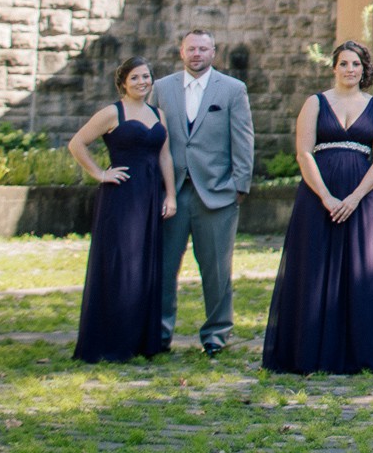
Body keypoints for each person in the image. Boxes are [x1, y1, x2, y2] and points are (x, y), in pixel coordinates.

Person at [262, 41, 373, 374]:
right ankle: (309, 351)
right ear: (334, 67)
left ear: (365, 69)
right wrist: (326, 197)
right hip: (317, 198)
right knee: (314, 270)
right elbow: (304, 153)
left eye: (356, 64)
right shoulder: (315, 103)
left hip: (361, 201)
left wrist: (354, 198)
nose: (350, 69)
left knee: (360, 273)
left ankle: (358, 353)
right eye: (344, 63)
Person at [151, 29, 253, 358]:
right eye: (191, 48)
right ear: (182, 52)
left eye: (203, 48)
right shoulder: (161, 88)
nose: (197, 53)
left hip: (218, 193)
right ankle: (159, 331)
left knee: (217, 269)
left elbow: (243, 138)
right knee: (165, 267)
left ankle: (216, 333)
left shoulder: (233, 89)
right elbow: (150, 136)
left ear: (214, 52)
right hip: (172, 193)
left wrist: (240, 184)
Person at [70, 56, 176, 363]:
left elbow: (165, 157)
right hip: (121, 198)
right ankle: (111, 340)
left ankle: (140, 341)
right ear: (123, 83)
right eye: (135, 78)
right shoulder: (111, 113)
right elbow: (77, 144)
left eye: (146, 76)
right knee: (120, 266)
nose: (142, 82)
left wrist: (170, 196)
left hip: (151, 197)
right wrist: (100, 174)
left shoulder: (158, 114)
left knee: (145, 266)